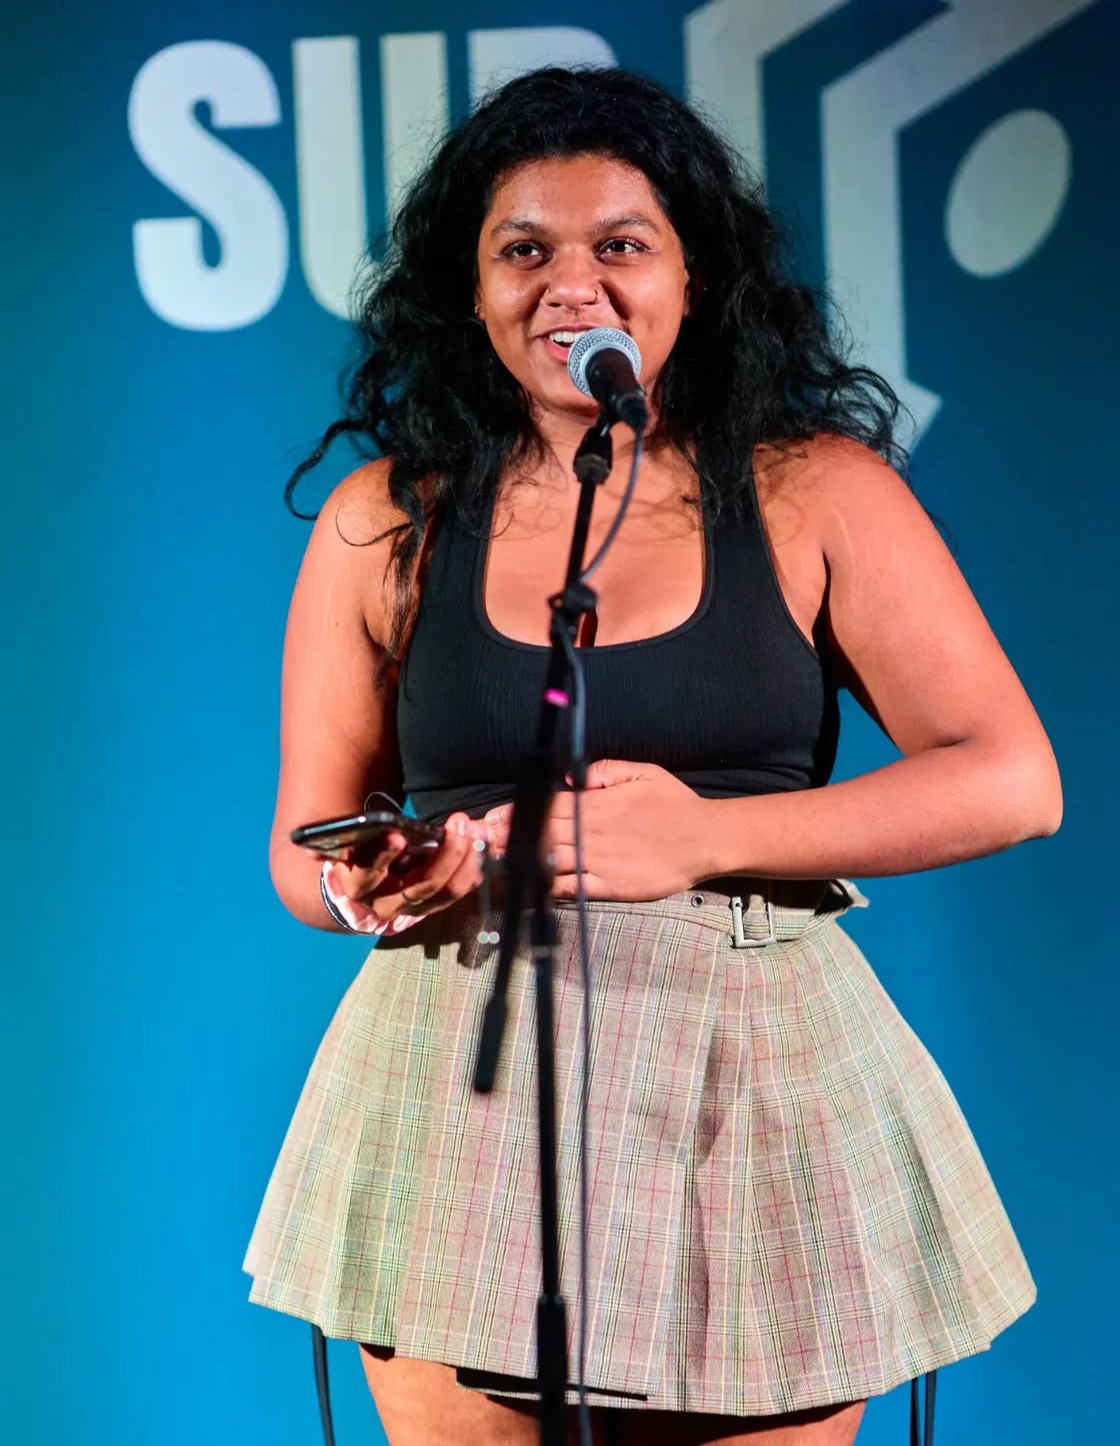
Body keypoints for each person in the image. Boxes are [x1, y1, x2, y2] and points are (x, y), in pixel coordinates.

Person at [243, 66, 1062, 1446]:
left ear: (694, 280)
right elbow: (302, 845)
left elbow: (1007, 776)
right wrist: (372, 883)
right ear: (469, 287)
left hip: (753, 1066)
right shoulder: (386, 519)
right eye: (525, 251)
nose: (573, 284)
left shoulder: (814, 492)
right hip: (459, 1062)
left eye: (620, 245)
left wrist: (708, 836)